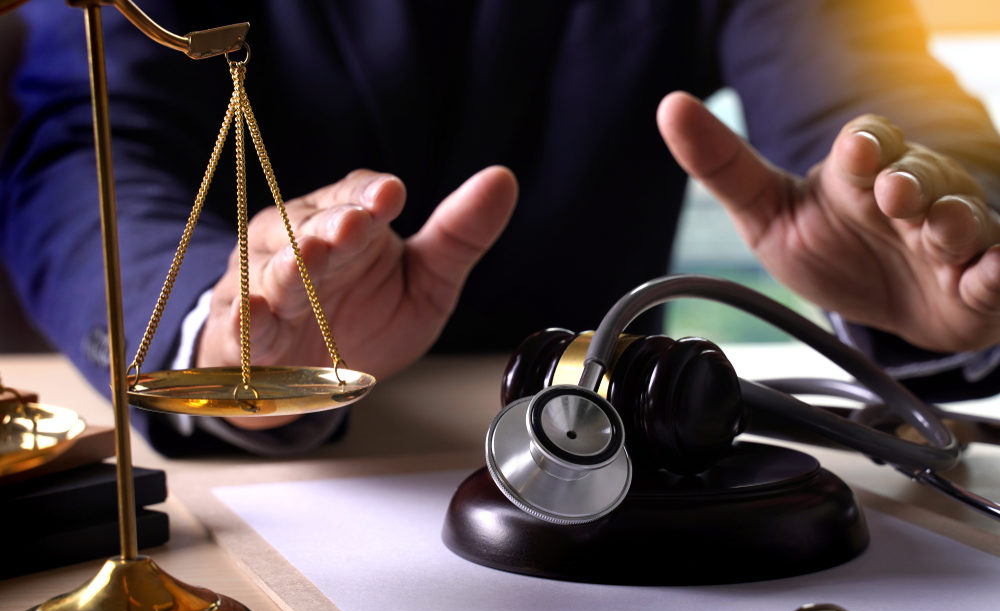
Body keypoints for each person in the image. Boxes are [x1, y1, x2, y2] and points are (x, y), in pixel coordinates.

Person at [3, 0, 1000, 456]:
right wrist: (219, 339)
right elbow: (78, 151)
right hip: (302, 480)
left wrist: (937, 240)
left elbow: (878, 92)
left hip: (616, 452)